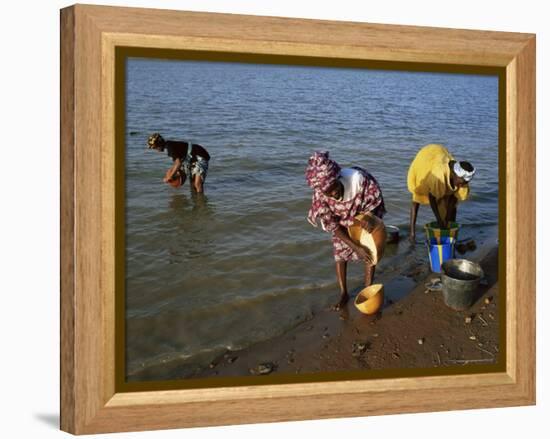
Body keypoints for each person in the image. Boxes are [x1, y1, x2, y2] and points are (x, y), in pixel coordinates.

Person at [305, 151, 386, 311]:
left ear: (337, 178)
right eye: (329, 192)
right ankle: (344, 293)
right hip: (340, 220)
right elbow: (333, 226)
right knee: (339, 252)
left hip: (362, 213)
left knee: (370, 249)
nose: (334, 193)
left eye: (335, 187)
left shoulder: (359, 180)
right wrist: (355, 247)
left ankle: (367, 289)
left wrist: (368, 217)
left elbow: (374, 200)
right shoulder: (321, 197)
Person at [407, 144, 475, 243]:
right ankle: (412, 234)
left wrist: (447, 221)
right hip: (426, 158)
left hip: (440, 153)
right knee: (417, 197)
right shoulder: (439, 175)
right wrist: (439, 220)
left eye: (464, 183)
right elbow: (432, 197)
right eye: (461, 183)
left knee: (449, 201)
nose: (462, 185)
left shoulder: (462, 179)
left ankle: (451, 237)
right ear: (454, 175)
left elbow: (454, 199)